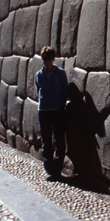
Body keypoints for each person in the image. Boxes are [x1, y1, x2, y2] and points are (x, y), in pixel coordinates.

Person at [35, 46, 69, 177]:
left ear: (53, 59)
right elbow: (38, 91)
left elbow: (64, 91)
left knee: (60, 139)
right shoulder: (39, 75)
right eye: (45, 59)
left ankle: (57, 168)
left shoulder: (60, 73)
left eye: (49, 58)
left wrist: (60, 103)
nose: (47, 61)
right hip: (44, 111)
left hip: (58, 110)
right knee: (46, 140)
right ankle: (49, 168)